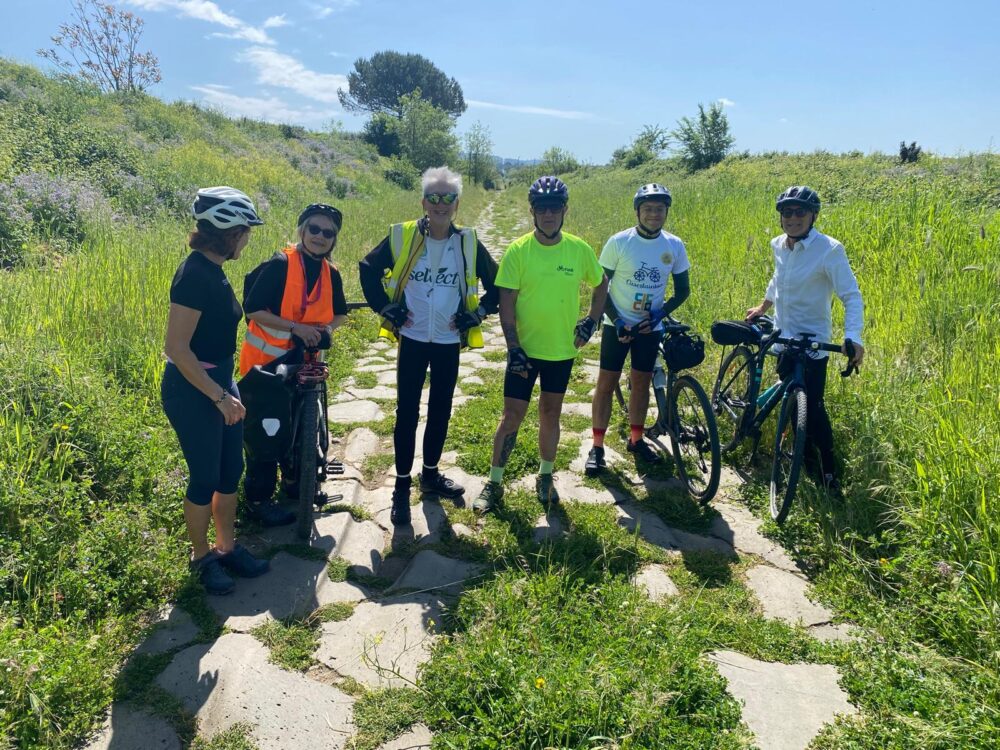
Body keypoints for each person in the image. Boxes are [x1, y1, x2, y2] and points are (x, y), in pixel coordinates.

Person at [359, 166, 499, 525]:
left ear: (457, 204)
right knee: (407, 412)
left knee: (440, 410)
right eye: (433, 197)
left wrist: (479, 313)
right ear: (423, 202)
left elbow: (497, 282)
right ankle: (401, 486)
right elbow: (367, 267)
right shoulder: (402, 235)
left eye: (448, 197)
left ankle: (431, 474)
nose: (440, 203)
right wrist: (383, 307)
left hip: (448, 340)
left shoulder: (467, 242)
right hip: (414, 337)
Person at [474, 176, 609, 514]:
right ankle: (494, 482)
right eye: (541, 208)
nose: (548, 215)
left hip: (560, 351)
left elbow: (601, 283)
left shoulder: (578, 249)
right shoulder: (519, 250)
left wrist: (592, 320)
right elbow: (506, 300)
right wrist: (513, 347)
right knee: (511, 416)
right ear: (532, 211)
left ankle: (545, 476)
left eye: (554, 208)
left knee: (551, 413)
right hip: (525, 350)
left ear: (565, 210)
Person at [162, 186, 270, 596]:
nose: (248, 238)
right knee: (205, 476)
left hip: (221, 382)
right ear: (230, 232)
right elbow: (176, 348)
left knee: (229, 473)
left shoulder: (214, 269)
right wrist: (220, 397)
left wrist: (227, 391)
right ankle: (202, 556)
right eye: (246, 231)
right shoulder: (194, 276)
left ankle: (227, 547)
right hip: (193, 390)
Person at [746, 185, 864, 495]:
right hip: (783, 336)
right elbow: (778, 278)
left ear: (813, 216)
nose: (793, 217)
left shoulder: (829, 250)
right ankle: (797, 450)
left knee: (813, 409)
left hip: (812, 343)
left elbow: (851, 296)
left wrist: (853, 337)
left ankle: (826, 473)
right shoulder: (778, 244)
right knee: (791, 397)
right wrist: (763, 307)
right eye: (788, 212)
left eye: (801, 212)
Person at [238, 203, 349, 525]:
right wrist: (295, 328)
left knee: (302, 426)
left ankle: (295, 483)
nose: (320, 236)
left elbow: (340, 313)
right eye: (314, 229)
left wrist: (327, 329)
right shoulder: (280, 265)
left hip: (306, 362)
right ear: (302, 230)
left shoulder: (331, 273)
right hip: (267, 365)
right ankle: (258, 501)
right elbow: (253, 309)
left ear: (333, 239)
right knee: (266, 432)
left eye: (328, 232)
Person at [586, 183, 690, 475]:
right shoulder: (620, 242)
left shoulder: (674, 245)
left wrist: (660, 315)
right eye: (648, 209)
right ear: (637, 212)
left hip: (649, 328)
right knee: (606, 384)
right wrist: (617, 320)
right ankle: (597, 446)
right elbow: (600, 287)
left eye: (659, 209)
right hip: (616, 324)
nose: (654, 214)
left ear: (666, 212)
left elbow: (683, 291)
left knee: (641, 383)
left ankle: (636, 439)